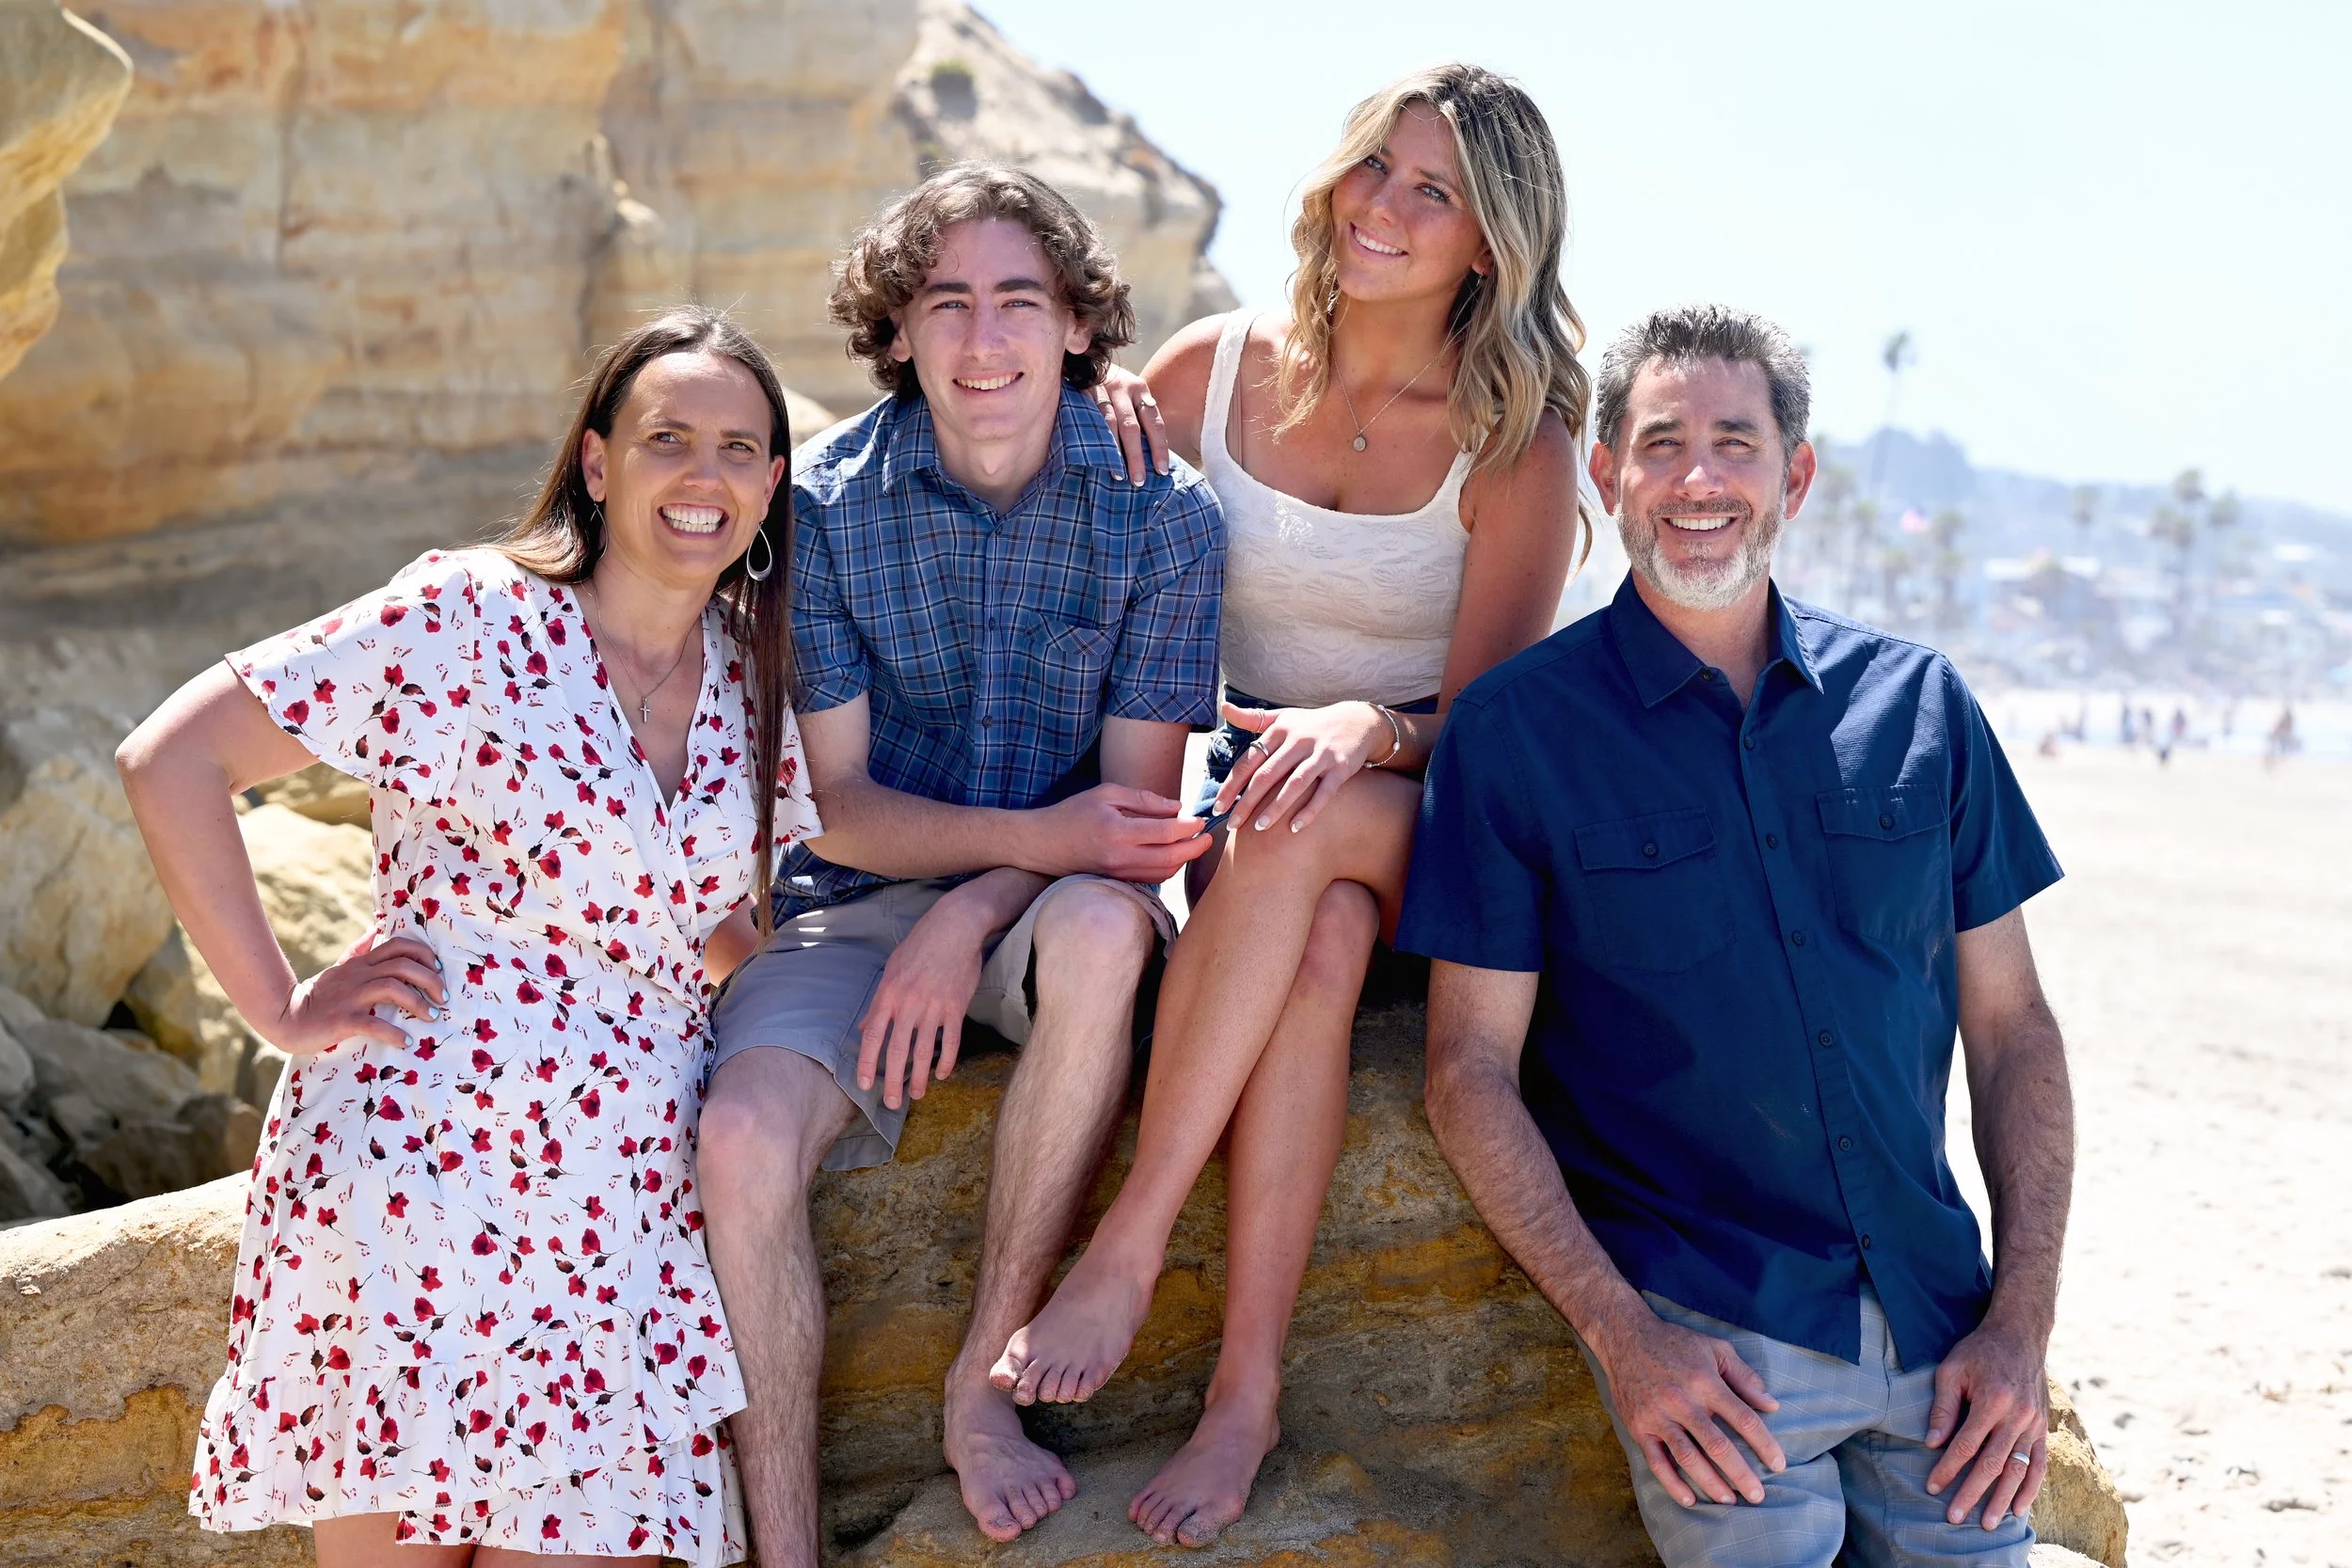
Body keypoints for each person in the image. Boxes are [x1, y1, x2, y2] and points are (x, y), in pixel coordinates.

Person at [990, 63, 1589, 1547]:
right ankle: (1244, 1394)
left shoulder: (1513, 432)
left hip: (1433, 830)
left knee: (1296, 825)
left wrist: (1362, 723)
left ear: (1491, 243)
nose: (1383, 204)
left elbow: (1491, 733)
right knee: (1311, 942)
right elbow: (1055, 537)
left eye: (1432, 189)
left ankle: (1130, 1241)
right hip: (1273, 853)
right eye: (1376, 166)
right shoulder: (1217, 371)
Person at [116, 307, 819, 1566]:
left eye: (739, 447)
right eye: (667, 438)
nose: (703, 475)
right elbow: (172, 758)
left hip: (622, 1223)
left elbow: (695, 919)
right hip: (423, 1182)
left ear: (772, 481)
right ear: (599, 463)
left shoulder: (754, 689)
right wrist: (278, 1005)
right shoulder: (468, 618)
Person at [1402, 305, 2075, 1567]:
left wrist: (2020, 1324)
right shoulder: (1517, 733)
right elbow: (1467, 1073)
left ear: (1794, 476)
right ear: (1606, 476)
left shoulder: (1922, 704)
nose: (1698, 479)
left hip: (1946, 1328)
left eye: (1735, 442)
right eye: (1660, 444)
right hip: (1716, 1342)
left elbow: (2014, 1028)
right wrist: (1625, 1339)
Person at [692, 165, 1225, 1560]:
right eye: (946, 305)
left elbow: (1128, 820)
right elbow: (841, 807)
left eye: (1016, 303)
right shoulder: (821, 510)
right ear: (899, 330)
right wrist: (947, 897)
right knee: (738, 1139)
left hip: (1052, 906)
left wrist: (978, 904)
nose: (982, 343)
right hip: (852, 902)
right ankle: (786, 1547)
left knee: (1109, 933)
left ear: (1073, 327)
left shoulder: (1163, 518)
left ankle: (981, 1387)